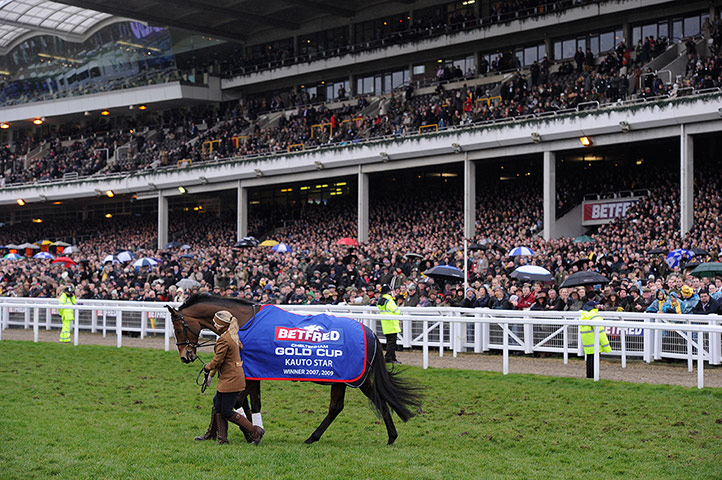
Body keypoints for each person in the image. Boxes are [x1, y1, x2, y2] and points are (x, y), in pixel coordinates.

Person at [196, 310, 264, 445]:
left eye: (216, 323)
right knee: (218, 406)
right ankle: (222, 439)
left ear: (222, 325)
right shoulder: (232, 336)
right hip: (232, 377)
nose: (214, 325)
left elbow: (217, 361)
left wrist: (207, 367)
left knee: (226, 411)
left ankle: (255, 431)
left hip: (230, 379)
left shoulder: (224, 339)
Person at [579, 298, 611, 379]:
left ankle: (589, 376)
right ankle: (595, 377)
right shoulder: (595, 316)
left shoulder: (583, 316)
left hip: (587, 344)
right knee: (595, 361)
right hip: (596, 343)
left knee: (589, 360)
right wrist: (607, 347)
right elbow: (601, 333)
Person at [377, 284, 402, 364]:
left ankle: (393, 358)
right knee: (392, 343)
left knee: (390, 342)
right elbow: (397, 311)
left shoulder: (381, 300)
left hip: (385, 324)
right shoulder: (389, 300)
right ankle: (388, 358)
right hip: (392, 324)